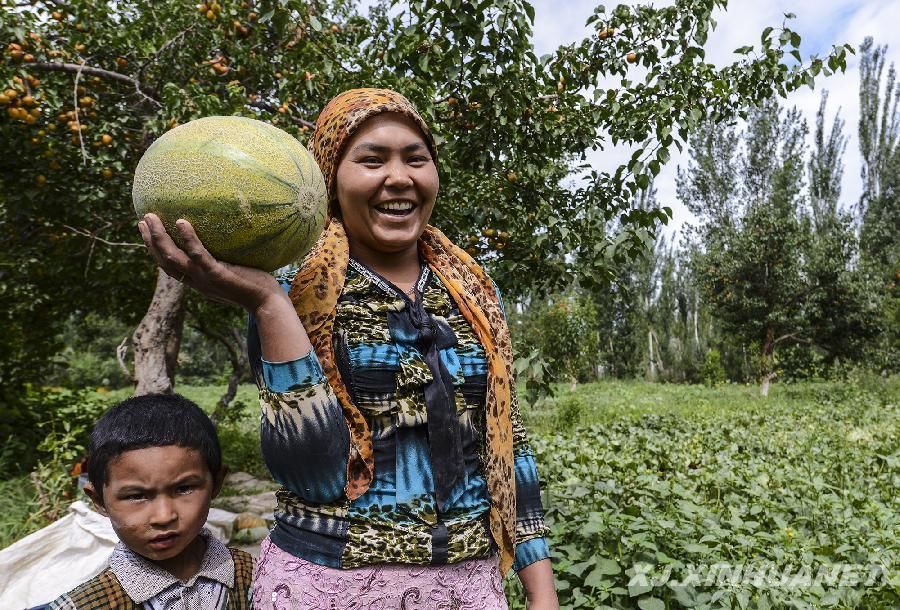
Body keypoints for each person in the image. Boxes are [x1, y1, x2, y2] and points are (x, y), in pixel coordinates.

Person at [137, 88, 558, 609]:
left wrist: (542, 593)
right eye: (372, 160)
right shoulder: (295, 286)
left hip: (468, 587)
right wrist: (268, 305)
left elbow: (506, 439)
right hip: (329, 586)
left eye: (416, 158)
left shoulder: (470, 288)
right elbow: (312, 473)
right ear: (329, 178)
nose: (399, 177)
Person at [33, 394, 254, 610]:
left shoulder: (257, 574)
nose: (164, 516)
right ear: (99, 501)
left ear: (215, 483)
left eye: (184, 488)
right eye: (136, 496)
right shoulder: (83, 604)